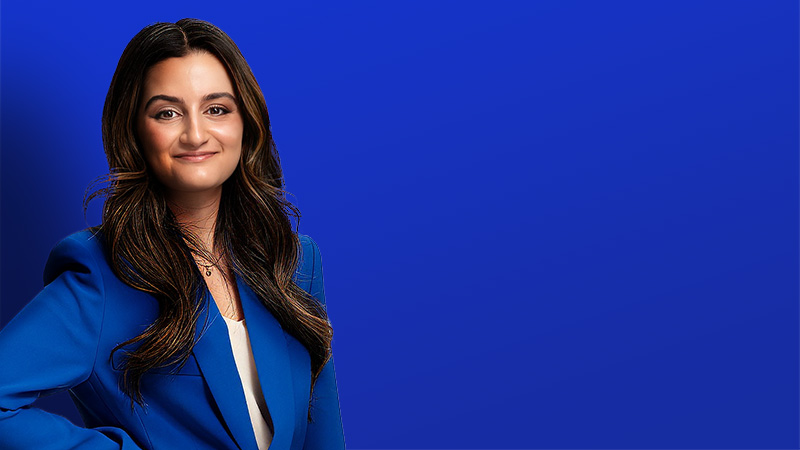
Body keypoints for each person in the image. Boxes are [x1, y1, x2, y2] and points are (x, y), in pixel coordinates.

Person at [0, 18, 345, 450]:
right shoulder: (102, 276)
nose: (196, 134)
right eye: (167, 113)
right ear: (136, 131)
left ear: (246, 123)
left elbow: (323, 432)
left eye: (217, 109)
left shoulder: (294, 260)